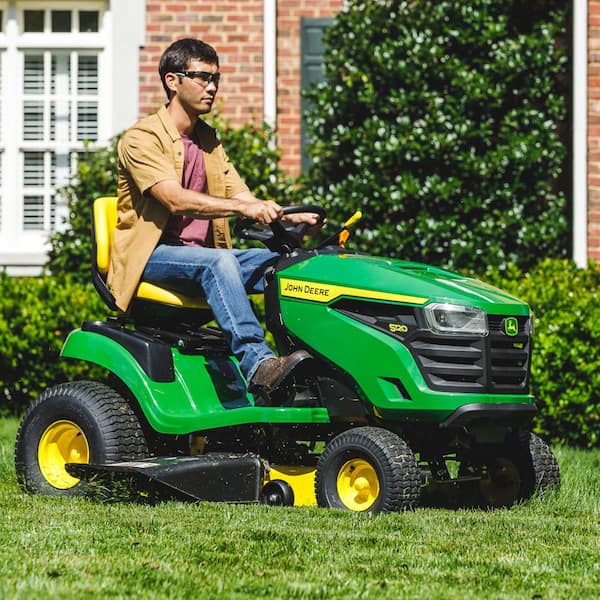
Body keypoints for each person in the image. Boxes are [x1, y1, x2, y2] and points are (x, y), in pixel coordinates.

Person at [108, 38, 320, 396]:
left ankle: (310, 363)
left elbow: (243, 197)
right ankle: (258, 363)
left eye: (216, 78)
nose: (212, 87)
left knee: (286, 265)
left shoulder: (208, 141)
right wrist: (244, 208)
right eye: (202, 77)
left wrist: (288, 216)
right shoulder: (140, 138)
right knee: (217, 262)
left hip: (201, 258)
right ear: (172, 81)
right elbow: (173, 200)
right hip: (152, 257)